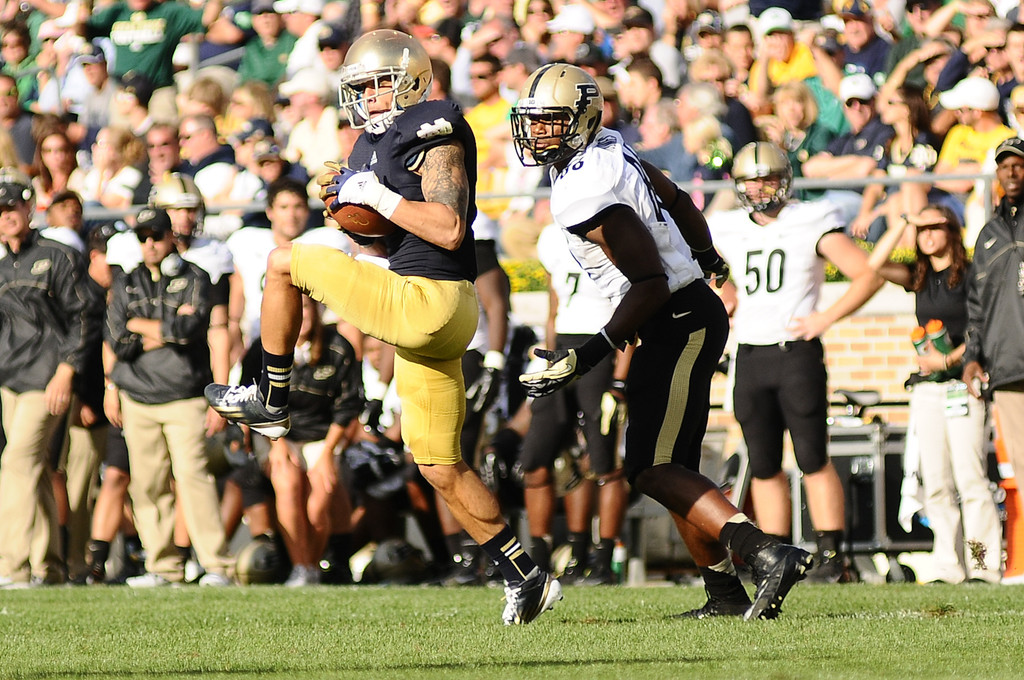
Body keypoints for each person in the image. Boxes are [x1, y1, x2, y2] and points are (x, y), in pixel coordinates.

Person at [206, 29, 561, 624]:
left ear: (413, 79)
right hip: (427, 308)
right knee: (439, 464)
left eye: (379, 83)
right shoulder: (369, 148)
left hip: (433, 299)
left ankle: (271, 395)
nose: (370, 96)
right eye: (360, 87)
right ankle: (523, 573)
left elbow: (448, 228)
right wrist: (349, 209)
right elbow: (381, 237)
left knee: (280, 261)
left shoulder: (433, 124)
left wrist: (374, 195)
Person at [511, 63, 811, 620]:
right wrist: (705, 254)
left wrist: (587, 354)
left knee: (649, 468)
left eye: (550, 122)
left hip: (676, 319)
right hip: (681, 313)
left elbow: (647, 283)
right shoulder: (605, 150)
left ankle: (767, 552)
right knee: (676, 469)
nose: (537, 134)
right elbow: (674, 198)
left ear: (580, 119)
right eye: (533, 122)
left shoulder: (586, 187)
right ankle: (723, 595)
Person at [708, 141, 886, 584]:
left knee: (811, 455)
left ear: (784, 180)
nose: (759, 187)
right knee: (764, 463)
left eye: (767, 177)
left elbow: (867, 272)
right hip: (749, 352)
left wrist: (825, 317)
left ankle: (832, 555)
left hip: (795, 353)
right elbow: (694, 266)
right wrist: (721, 287)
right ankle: (775, 555)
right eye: (751, 178)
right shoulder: (725, 227)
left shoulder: (810, 219)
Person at [868, 207, 1003, 583]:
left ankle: (982, 565)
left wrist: (949, 358)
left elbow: (982, 326)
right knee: (937, 480)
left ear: (952, 230)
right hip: (928, 390)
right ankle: (948, 566)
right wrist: (902, 222)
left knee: (970, 478)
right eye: (921, 229)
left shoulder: (972, 273)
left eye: (934, 227)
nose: (926, 235)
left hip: (963, 384)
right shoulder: (919, 276)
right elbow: (874, 264)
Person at [104, 207, 233, 587]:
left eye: (155, 236)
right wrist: (113, 383)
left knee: (194, 477)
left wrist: (139, 325)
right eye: (142, 237)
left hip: (184, 396)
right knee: (146, 484)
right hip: (137, 395)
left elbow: (189, 329)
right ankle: (161, 566)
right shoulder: (126, 282)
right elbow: (116, 337)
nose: (149, 244)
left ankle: (215, 564)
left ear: (170, 236)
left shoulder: (195, 276)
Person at [0, 168, 100, 588]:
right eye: (0, 209)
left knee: (15, 462)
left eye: (13, 206)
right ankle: (50, 567)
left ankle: (12, 566)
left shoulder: (57, 255)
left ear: (29, 207)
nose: (6, 215)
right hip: (11, 379)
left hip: (47, 377)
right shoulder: (3, 264)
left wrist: (66, 371)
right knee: (34, 471)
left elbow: (85, 314)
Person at [519, 221, 629, 585]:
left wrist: (619, 380)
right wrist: (547, 358)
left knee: (602, 461)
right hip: (562, 349)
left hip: (602, 349)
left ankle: (602, 554)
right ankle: (540, 556)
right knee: (537, 459)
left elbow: (632, 311)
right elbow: (554, 303)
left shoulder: (616, 232)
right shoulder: (552, 235)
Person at [239, 295, 364, 586]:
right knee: (288, 482)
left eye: (307, 308)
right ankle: (301, 568)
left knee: (320, 500)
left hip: (323, 436)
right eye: (295, 309)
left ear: (317, 311)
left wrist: (328, 455)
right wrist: (276, 442)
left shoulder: (337, 347)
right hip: (275, 432)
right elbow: (250, 399)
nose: (302, 315)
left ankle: (312, 564)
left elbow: (348, 405)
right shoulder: (262, 348)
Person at [963, 137, 1024, 585]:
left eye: (1019, 165)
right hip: (1009, 370)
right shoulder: (987, 234)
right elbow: (976, 308)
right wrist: (972, 358)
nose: (1012, 173)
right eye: (1005, 166)